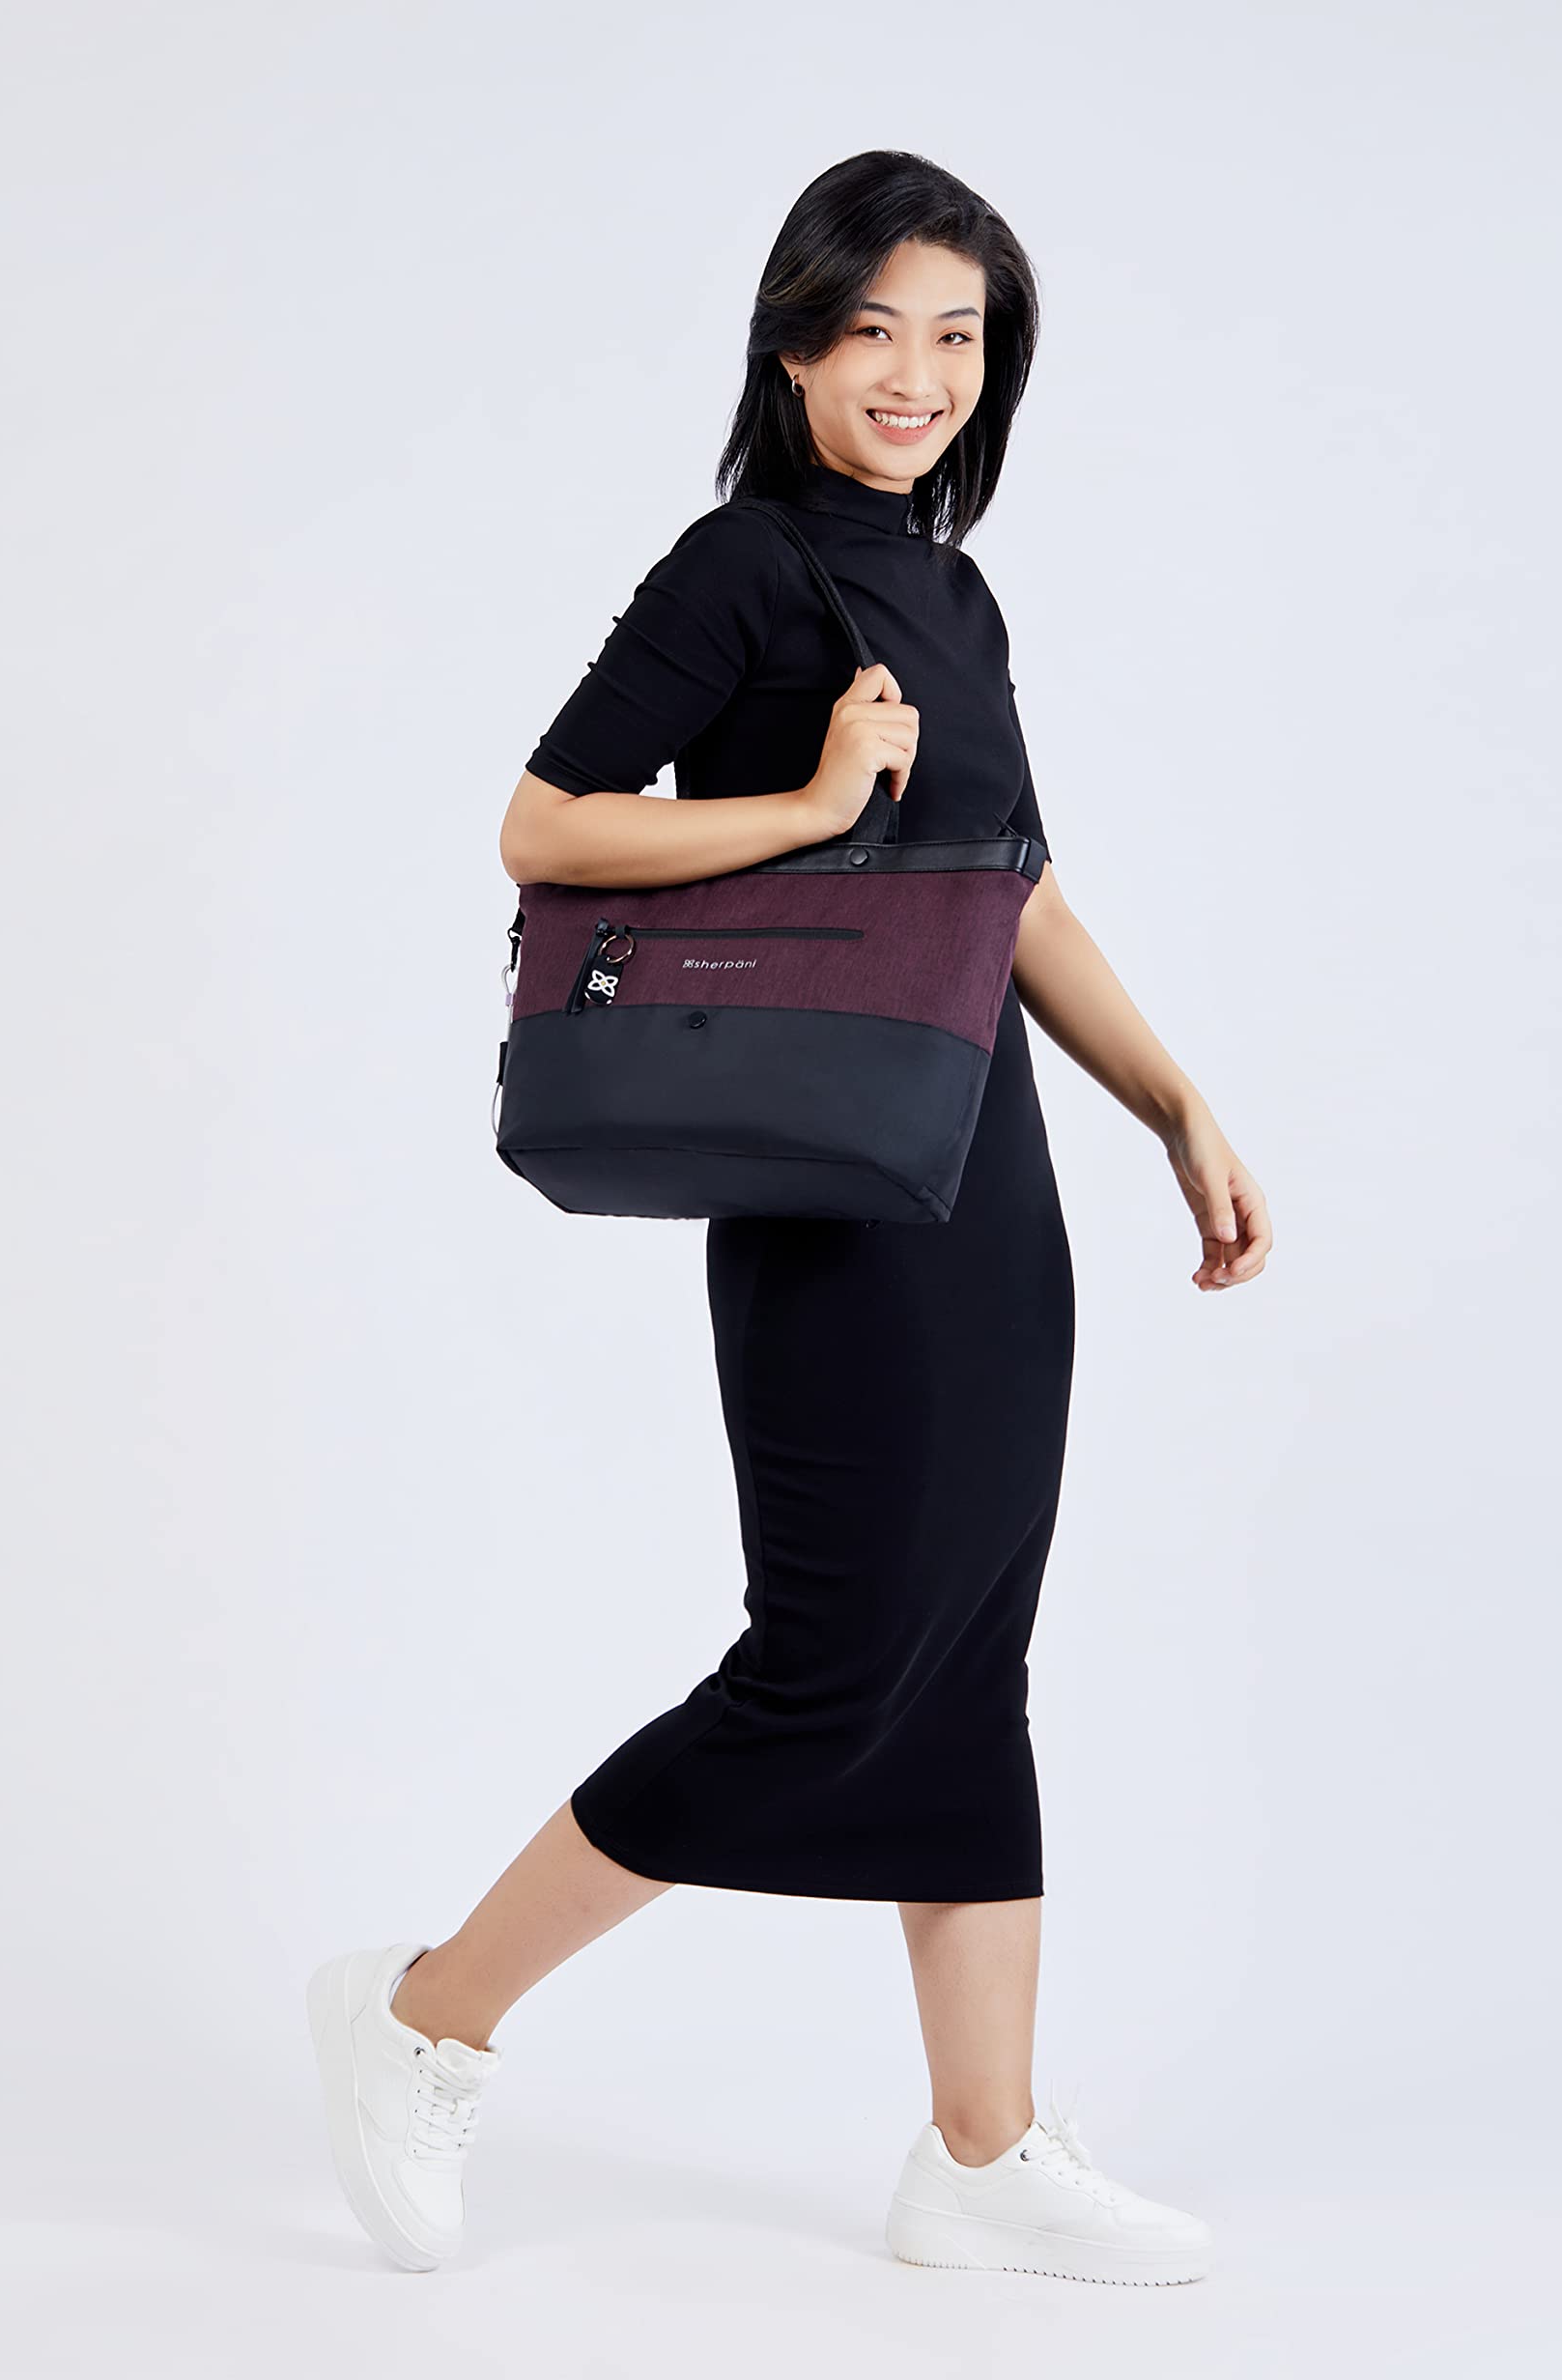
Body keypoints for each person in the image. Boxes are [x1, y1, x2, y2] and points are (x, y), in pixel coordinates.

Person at [307, 149, 1270, 2287]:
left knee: (970, 1656)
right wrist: (818, 801)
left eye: (958, 335)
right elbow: (543, 821)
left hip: (986, 1170)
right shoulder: (741, 568)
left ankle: (982, 2148)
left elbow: (1010, 888)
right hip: (830, 1182)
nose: (917, 374)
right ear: (793, 346)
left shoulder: (955, 594)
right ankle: (425, 2012)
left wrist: (1170, 1099)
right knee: (829, 1664)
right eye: (873, 330)